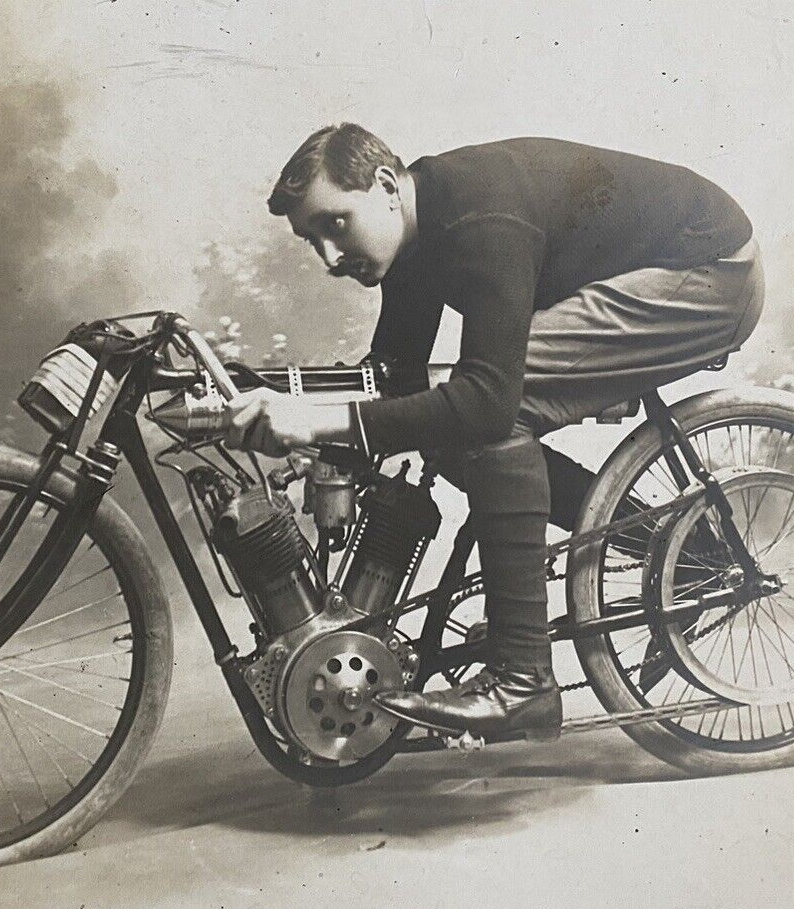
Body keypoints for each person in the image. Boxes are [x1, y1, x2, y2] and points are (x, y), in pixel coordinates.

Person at [225, 123, 764, 740]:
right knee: (443, 422)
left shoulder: (477, 218)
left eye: (335, 224)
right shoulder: (413, 240)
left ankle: (523, 678)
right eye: (311, 240)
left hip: (711, 272)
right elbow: (395, 382)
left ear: (384, 187)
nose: (327, 258)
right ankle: (680, 555)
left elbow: (484, 402)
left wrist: (322, 421)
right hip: (666, 268)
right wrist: (309, 433)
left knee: (491, 407)